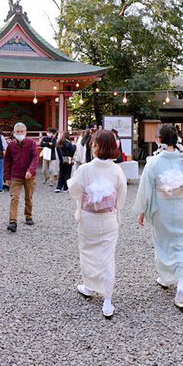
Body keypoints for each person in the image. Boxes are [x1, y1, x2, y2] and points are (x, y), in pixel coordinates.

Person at [134, 124, 183, 310]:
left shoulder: (154, 162)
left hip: (162, 209)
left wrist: (142, 210)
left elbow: (146, 188)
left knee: (162, 243)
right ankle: (180, 285)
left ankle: (165, 278)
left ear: (158, 139)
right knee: (181, 244)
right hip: (181, 207)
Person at [68, 129, 127, 318]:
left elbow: (75, 190)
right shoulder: (117, 170)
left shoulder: (85, 169)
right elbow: (122, 197)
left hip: (89, 218)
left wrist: (87, 198)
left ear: (94, 146)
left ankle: (89, 286)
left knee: (88, 253)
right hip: (109, 219)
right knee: (107, 257)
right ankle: (107, 299)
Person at [4, 122, 38, 233]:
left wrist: (31, 170)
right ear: (14, 133)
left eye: (21, 131)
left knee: (28, 197)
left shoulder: (31, 143)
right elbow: (7, 161)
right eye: (17, 132)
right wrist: (7, 176)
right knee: (14, 197)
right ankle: (12, 221)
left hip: (29, 176)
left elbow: (35, 158)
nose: (19, 133)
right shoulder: (11, 145)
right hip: (15, 175)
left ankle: (28, 216)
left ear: (25, 132)